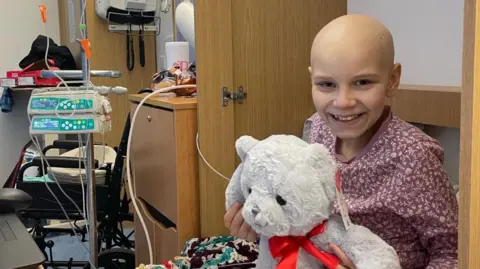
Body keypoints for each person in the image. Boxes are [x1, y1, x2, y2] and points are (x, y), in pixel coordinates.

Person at [224, 14, 458, 269]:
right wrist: (262, 227)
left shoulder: (415, 157)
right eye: (327, 84)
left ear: (392, 79)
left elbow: (454, 253)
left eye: (362, 82)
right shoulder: (316, 131)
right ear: (312, 79)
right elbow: (301, 213)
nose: (343, 102)